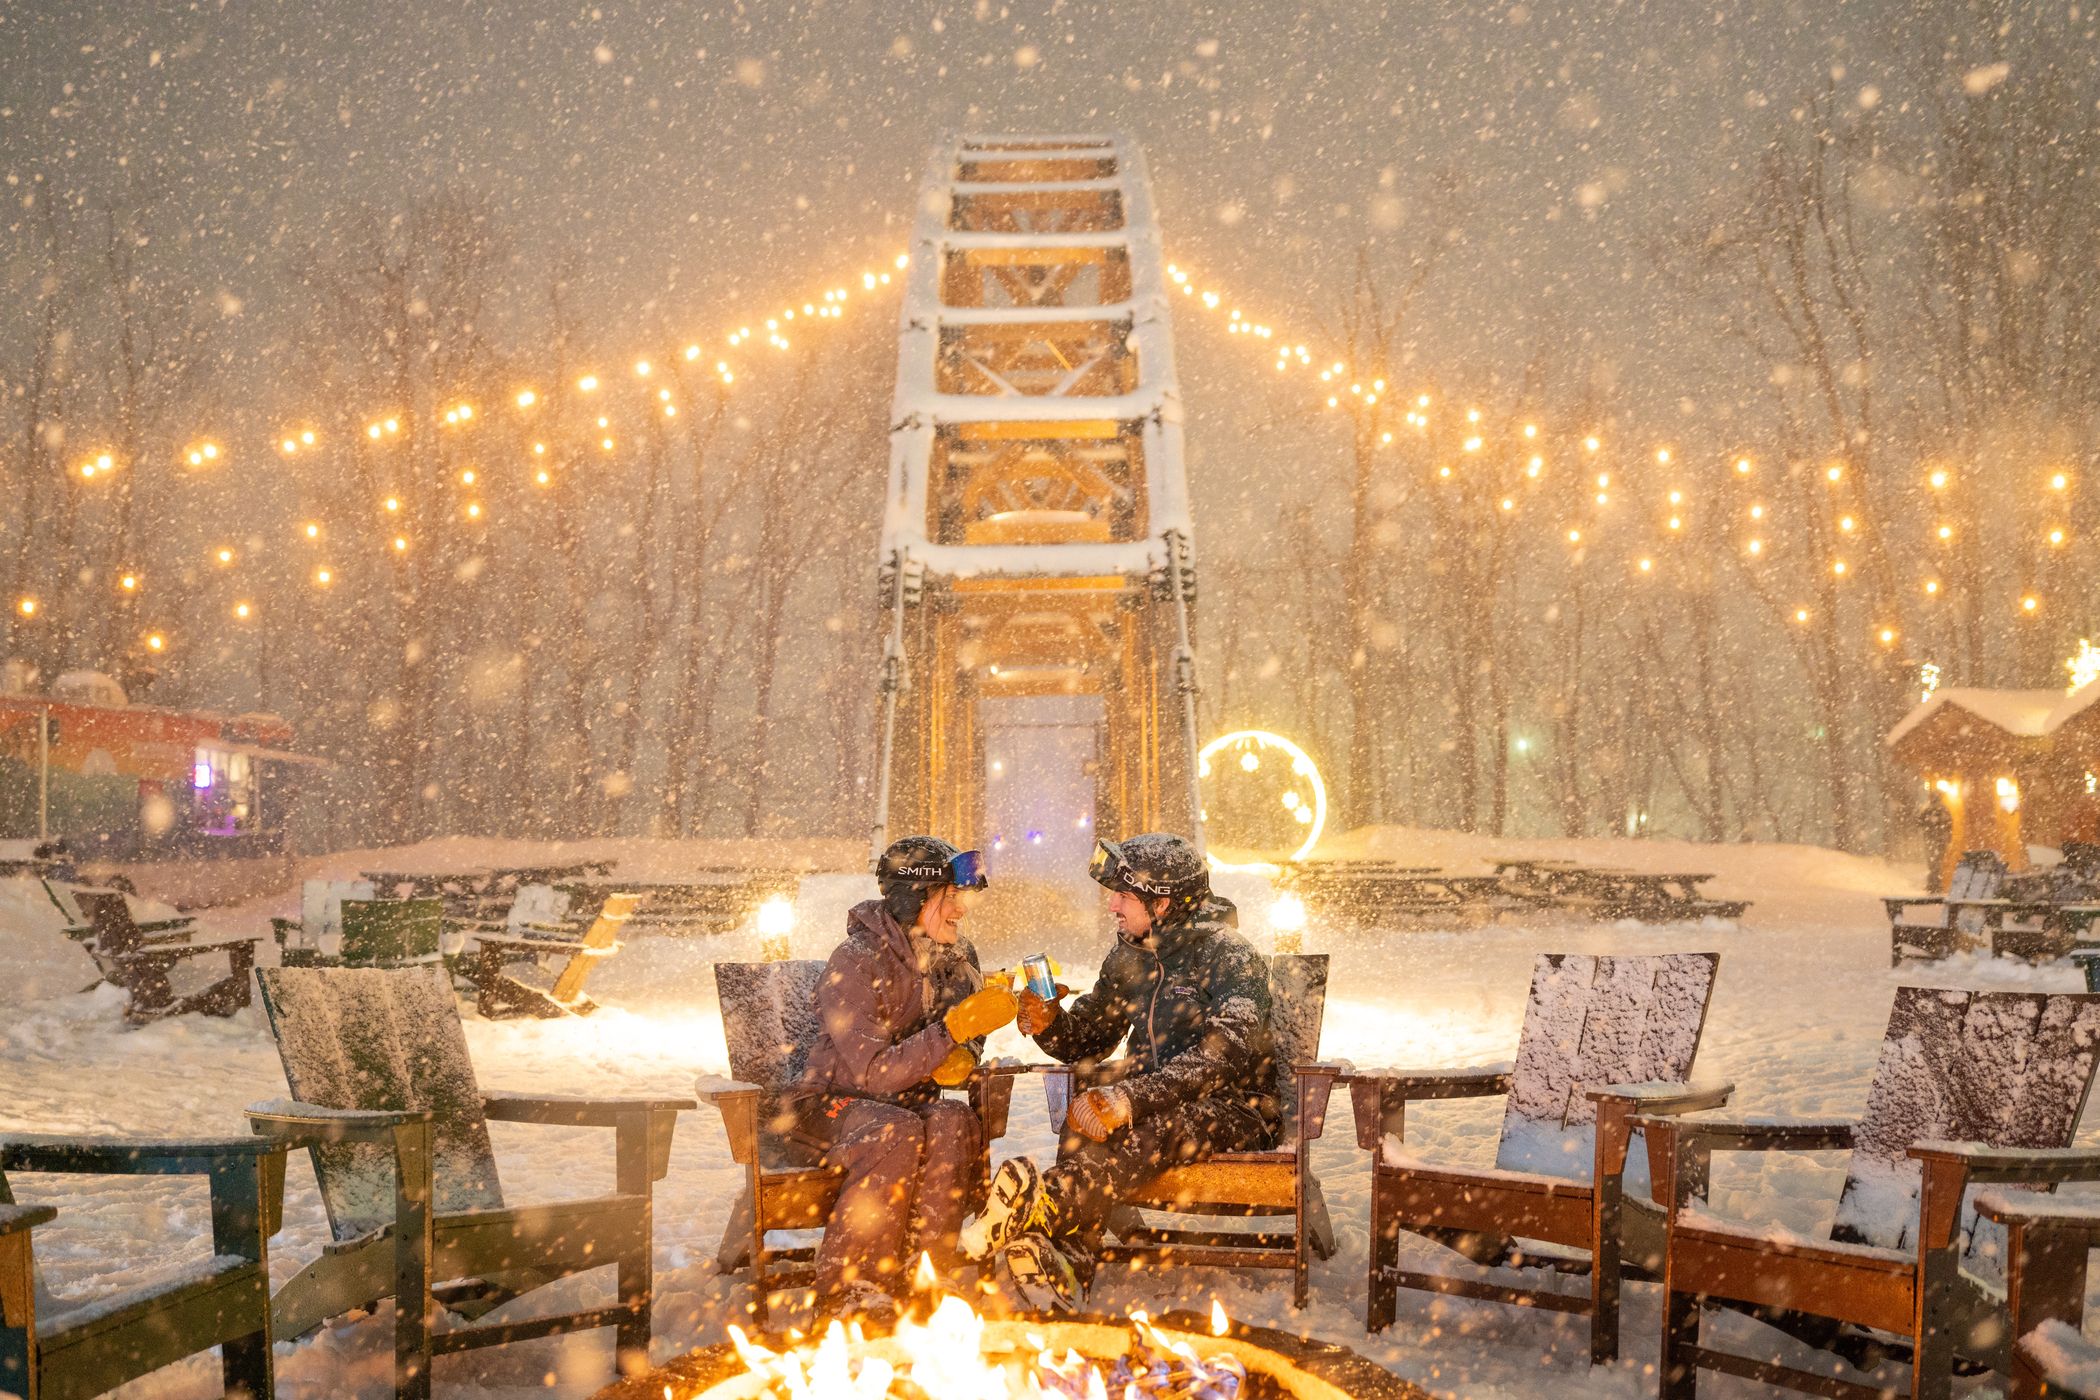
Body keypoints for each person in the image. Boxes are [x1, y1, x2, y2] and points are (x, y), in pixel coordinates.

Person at [960, 832, 1278, 1311]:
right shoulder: (1130, 954)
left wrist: (1130, 1098)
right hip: (1153, 1099)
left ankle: (1045, 1205)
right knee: (1086, 1109)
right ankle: (1069, 1257)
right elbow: (1090, 1039)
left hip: (1238, 1108)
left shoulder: (1231, 957)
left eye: (1124, 896)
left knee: (1155, 1126)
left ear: (1163, 903)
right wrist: (1051, 1023)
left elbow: (1221, 1058)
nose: (1111, 905)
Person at [778, 835, 1018, 1320]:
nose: (961, 910)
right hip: (827, 1105)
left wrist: (969, 1045)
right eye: (950, 897)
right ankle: (851, 1287)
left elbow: (966, 1029)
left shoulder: (955, 956)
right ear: (915, 897)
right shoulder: (856, 960)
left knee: (953, 1120)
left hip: (905, 1100)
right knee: (896, 1131)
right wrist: (951, 1031)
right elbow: (872, 1073)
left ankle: (926, 1270)